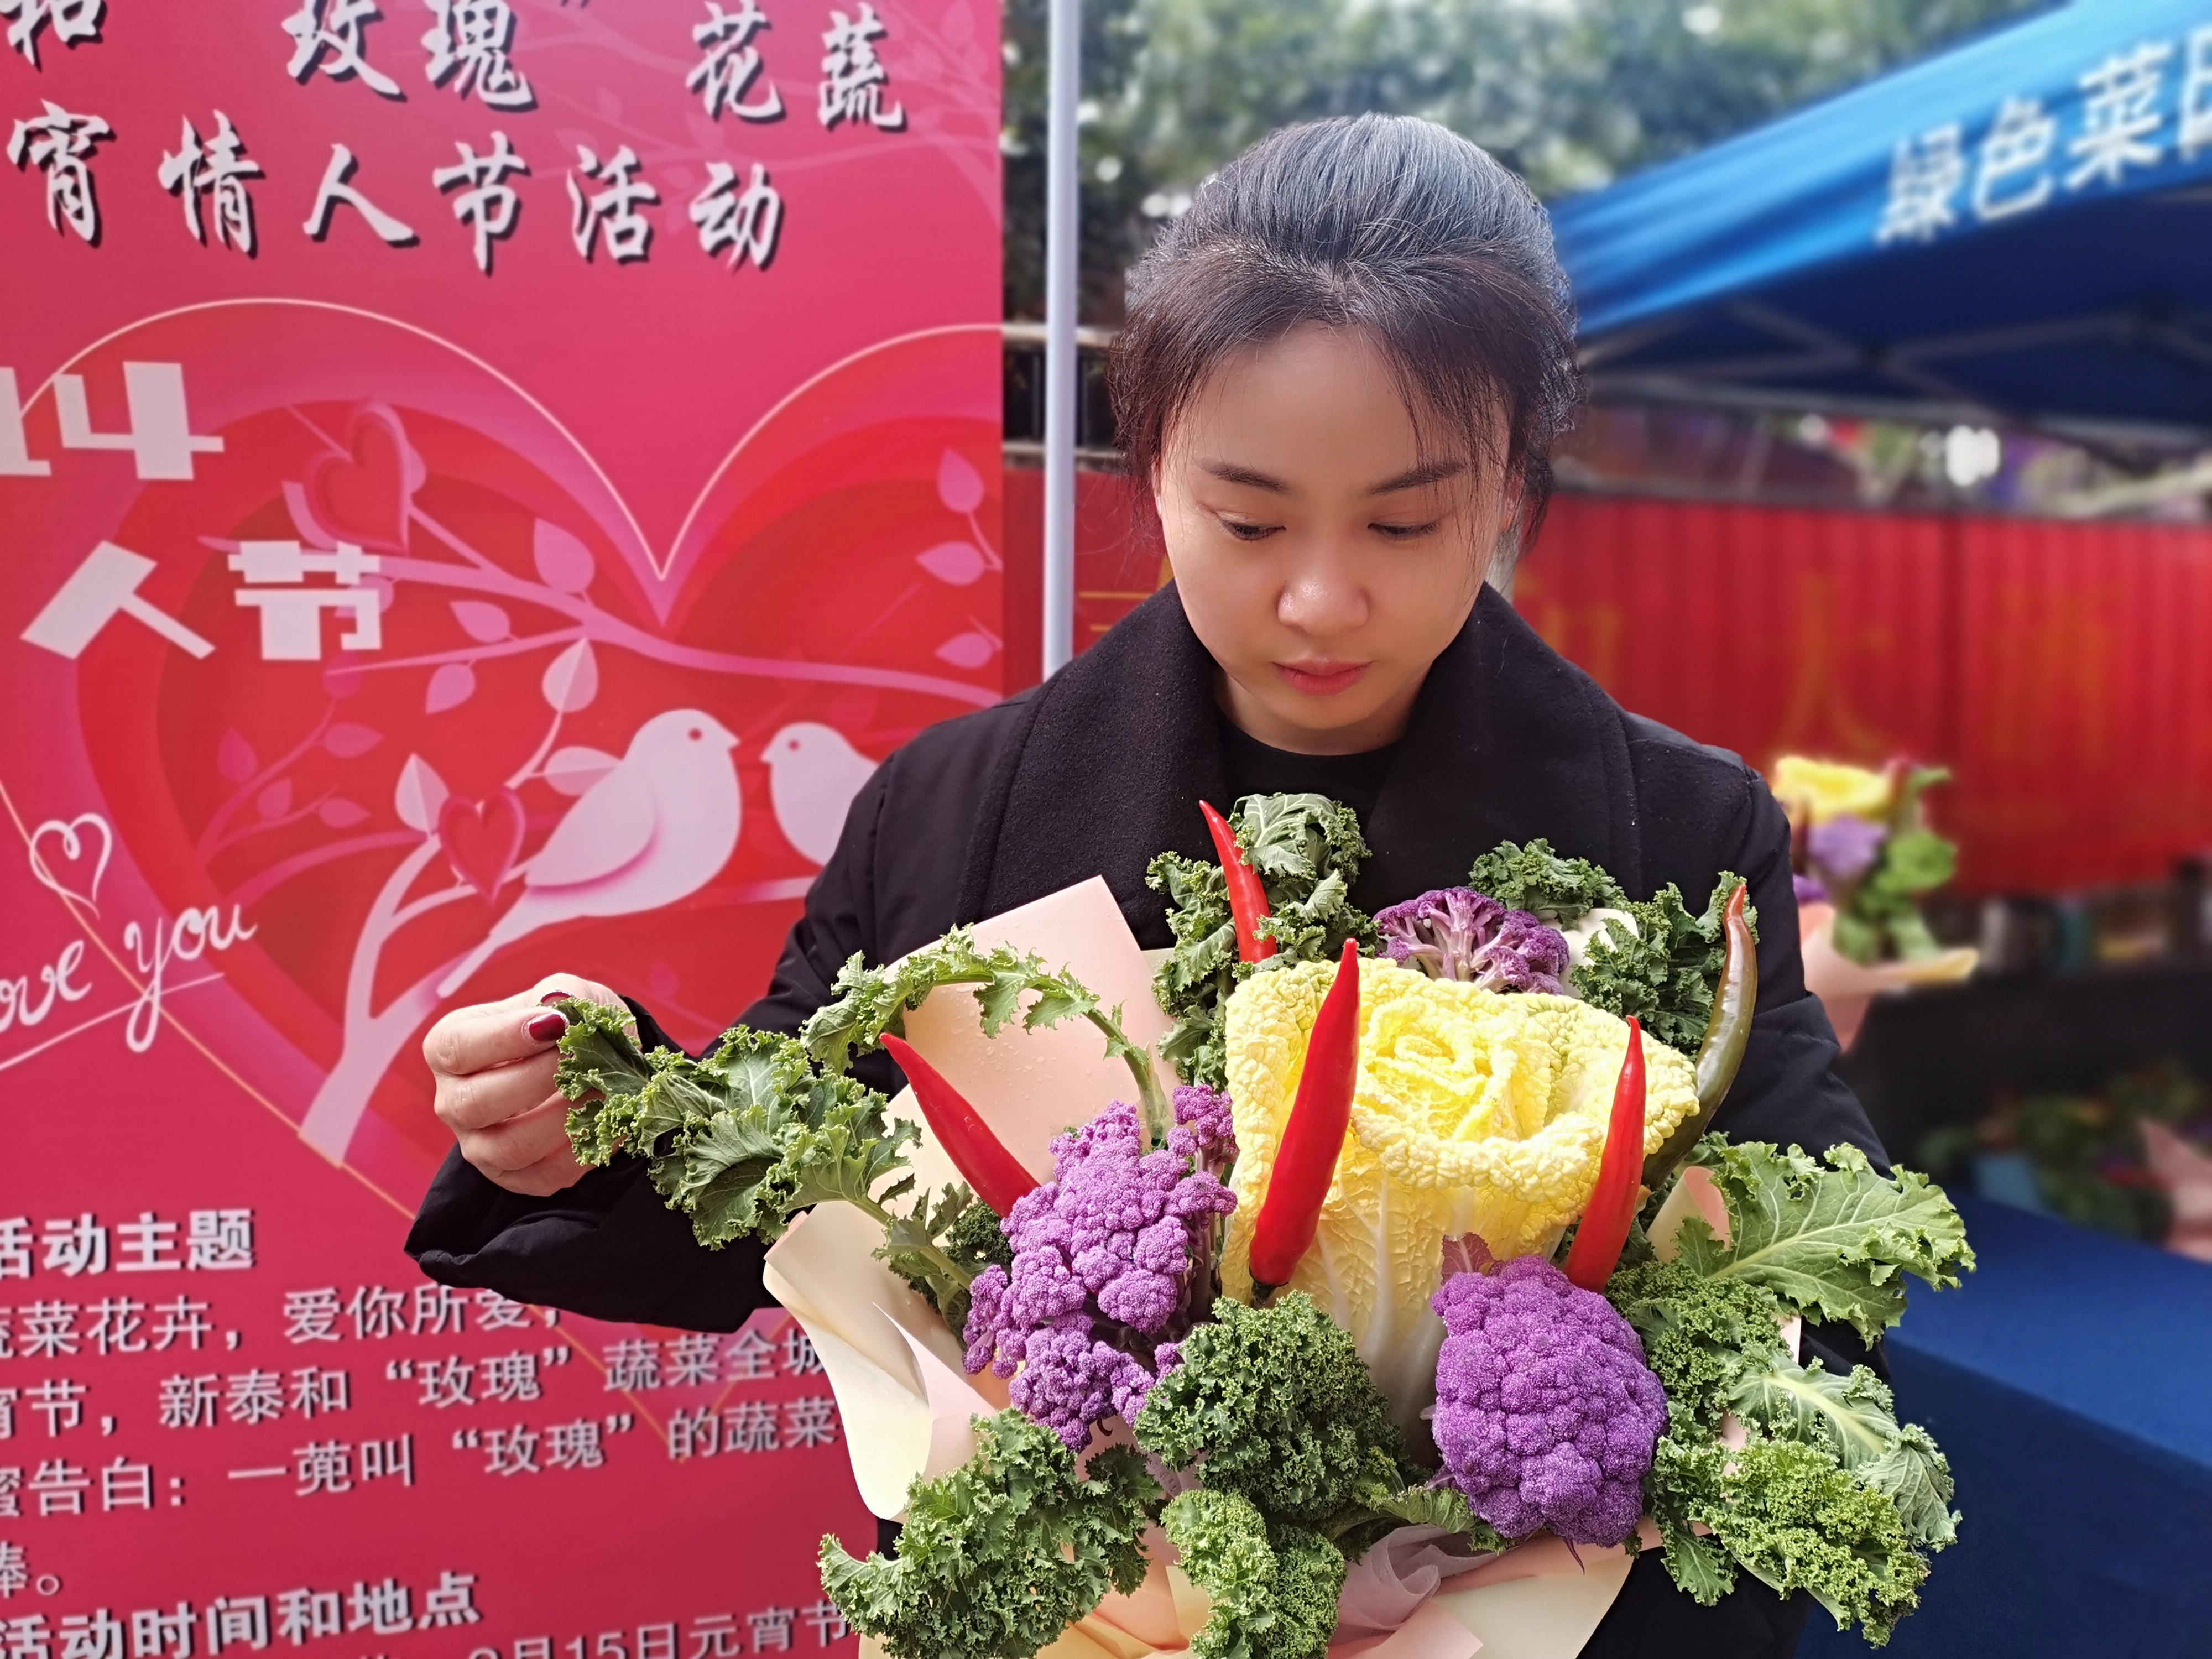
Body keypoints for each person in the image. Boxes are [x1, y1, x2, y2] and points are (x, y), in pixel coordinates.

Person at [408, 114, 1880, 1657]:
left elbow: (1818, 1254)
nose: (1320, 595)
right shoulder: (956, 811)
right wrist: (594, 1119)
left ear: (1513, 479)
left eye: (1404, 520)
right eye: (1248, 521)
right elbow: (787, 1168)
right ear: (1152, 461)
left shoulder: (1681, 832)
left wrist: (1646, 1466)